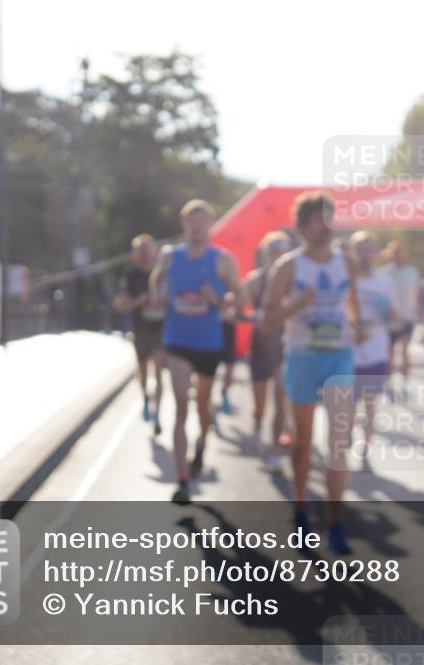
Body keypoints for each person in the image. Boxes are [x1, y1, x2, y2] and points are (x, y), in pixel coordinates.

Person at [260, 192, 363, 554]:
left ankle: (336, 521)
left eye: (330, 218)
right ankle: (302, 507)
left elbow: (353, 302)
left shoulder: (345, 262)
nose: (326, 226)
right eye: (319, 219)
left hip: (338, 357)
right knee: (303, 440)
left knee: (338, 443)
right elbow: (265, 321)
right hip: (303, 357)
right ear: (302, 227)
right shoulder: (288, 267)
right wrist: (293, 307)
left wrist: (358, 324)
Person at [150, 200, 243, 505]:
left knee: (203, 406)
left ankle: (202, 443)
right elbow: (156, 280)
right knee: (180, 405)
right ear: (184, 224)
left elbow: (237, 296)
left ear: (210, 225)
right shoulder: (170, 256)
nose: (198, 227)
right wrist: (158, 294)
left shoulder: (221, 259)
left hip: (209, 342)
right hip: (177, 338)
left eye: (203, 221)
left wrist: (216, 299)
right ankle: (182, 479)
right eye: (192, 221)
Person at [243, 231, 293, 472]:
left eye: (280, 251)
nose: (276, 256)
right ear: (265, 254)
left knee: (281, 400)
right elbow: (237, 308)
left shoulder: (295, 281)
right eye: (272, 251)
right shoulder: (255, 280)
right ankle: (257, 427)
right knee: (260, 403)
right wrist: (255, 316)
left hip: (285, 346)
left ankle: (275, 449)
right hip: (261, 346)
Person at [349, 231, 398, 471]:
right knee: (347, 405)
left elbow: (394, 317)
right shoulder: (346, 280)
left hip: (376, 350)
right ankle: (347, 430)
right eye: (360, 249)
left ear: (376, 254)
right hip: (347, 352)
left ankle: (366, 445)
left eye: (369, 249)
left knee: (370, 403)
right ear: (352, 252)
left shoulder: (384, 282)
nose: (364, 254)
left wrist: (388, 312)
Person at [114, 233, 166, 436]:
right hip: (140, 329)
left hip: (161, 329)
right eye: (141, 250)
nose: (145, 254)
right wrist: (139, 302)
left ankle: (158, 413)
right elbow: (121, 304)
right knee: (143, 370)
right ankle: (145, 397)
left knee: (160, 371)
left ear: (154, 251)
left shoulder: (162, 273)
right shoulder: (131, 276)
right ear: (136, 254)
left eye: (148, 249)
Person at [382, 241, 420, 381]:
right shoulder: (384, 273)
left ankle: (405, 380)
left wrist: (416, 309)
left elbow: (416, 293)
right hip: (390, 318)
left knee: (405, 348)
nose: (399, 255)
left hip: (407, 316)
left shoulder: (412, 272)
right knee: (390, 351)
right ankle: (389, 380)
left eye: (401, 252)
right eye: (396, 252)